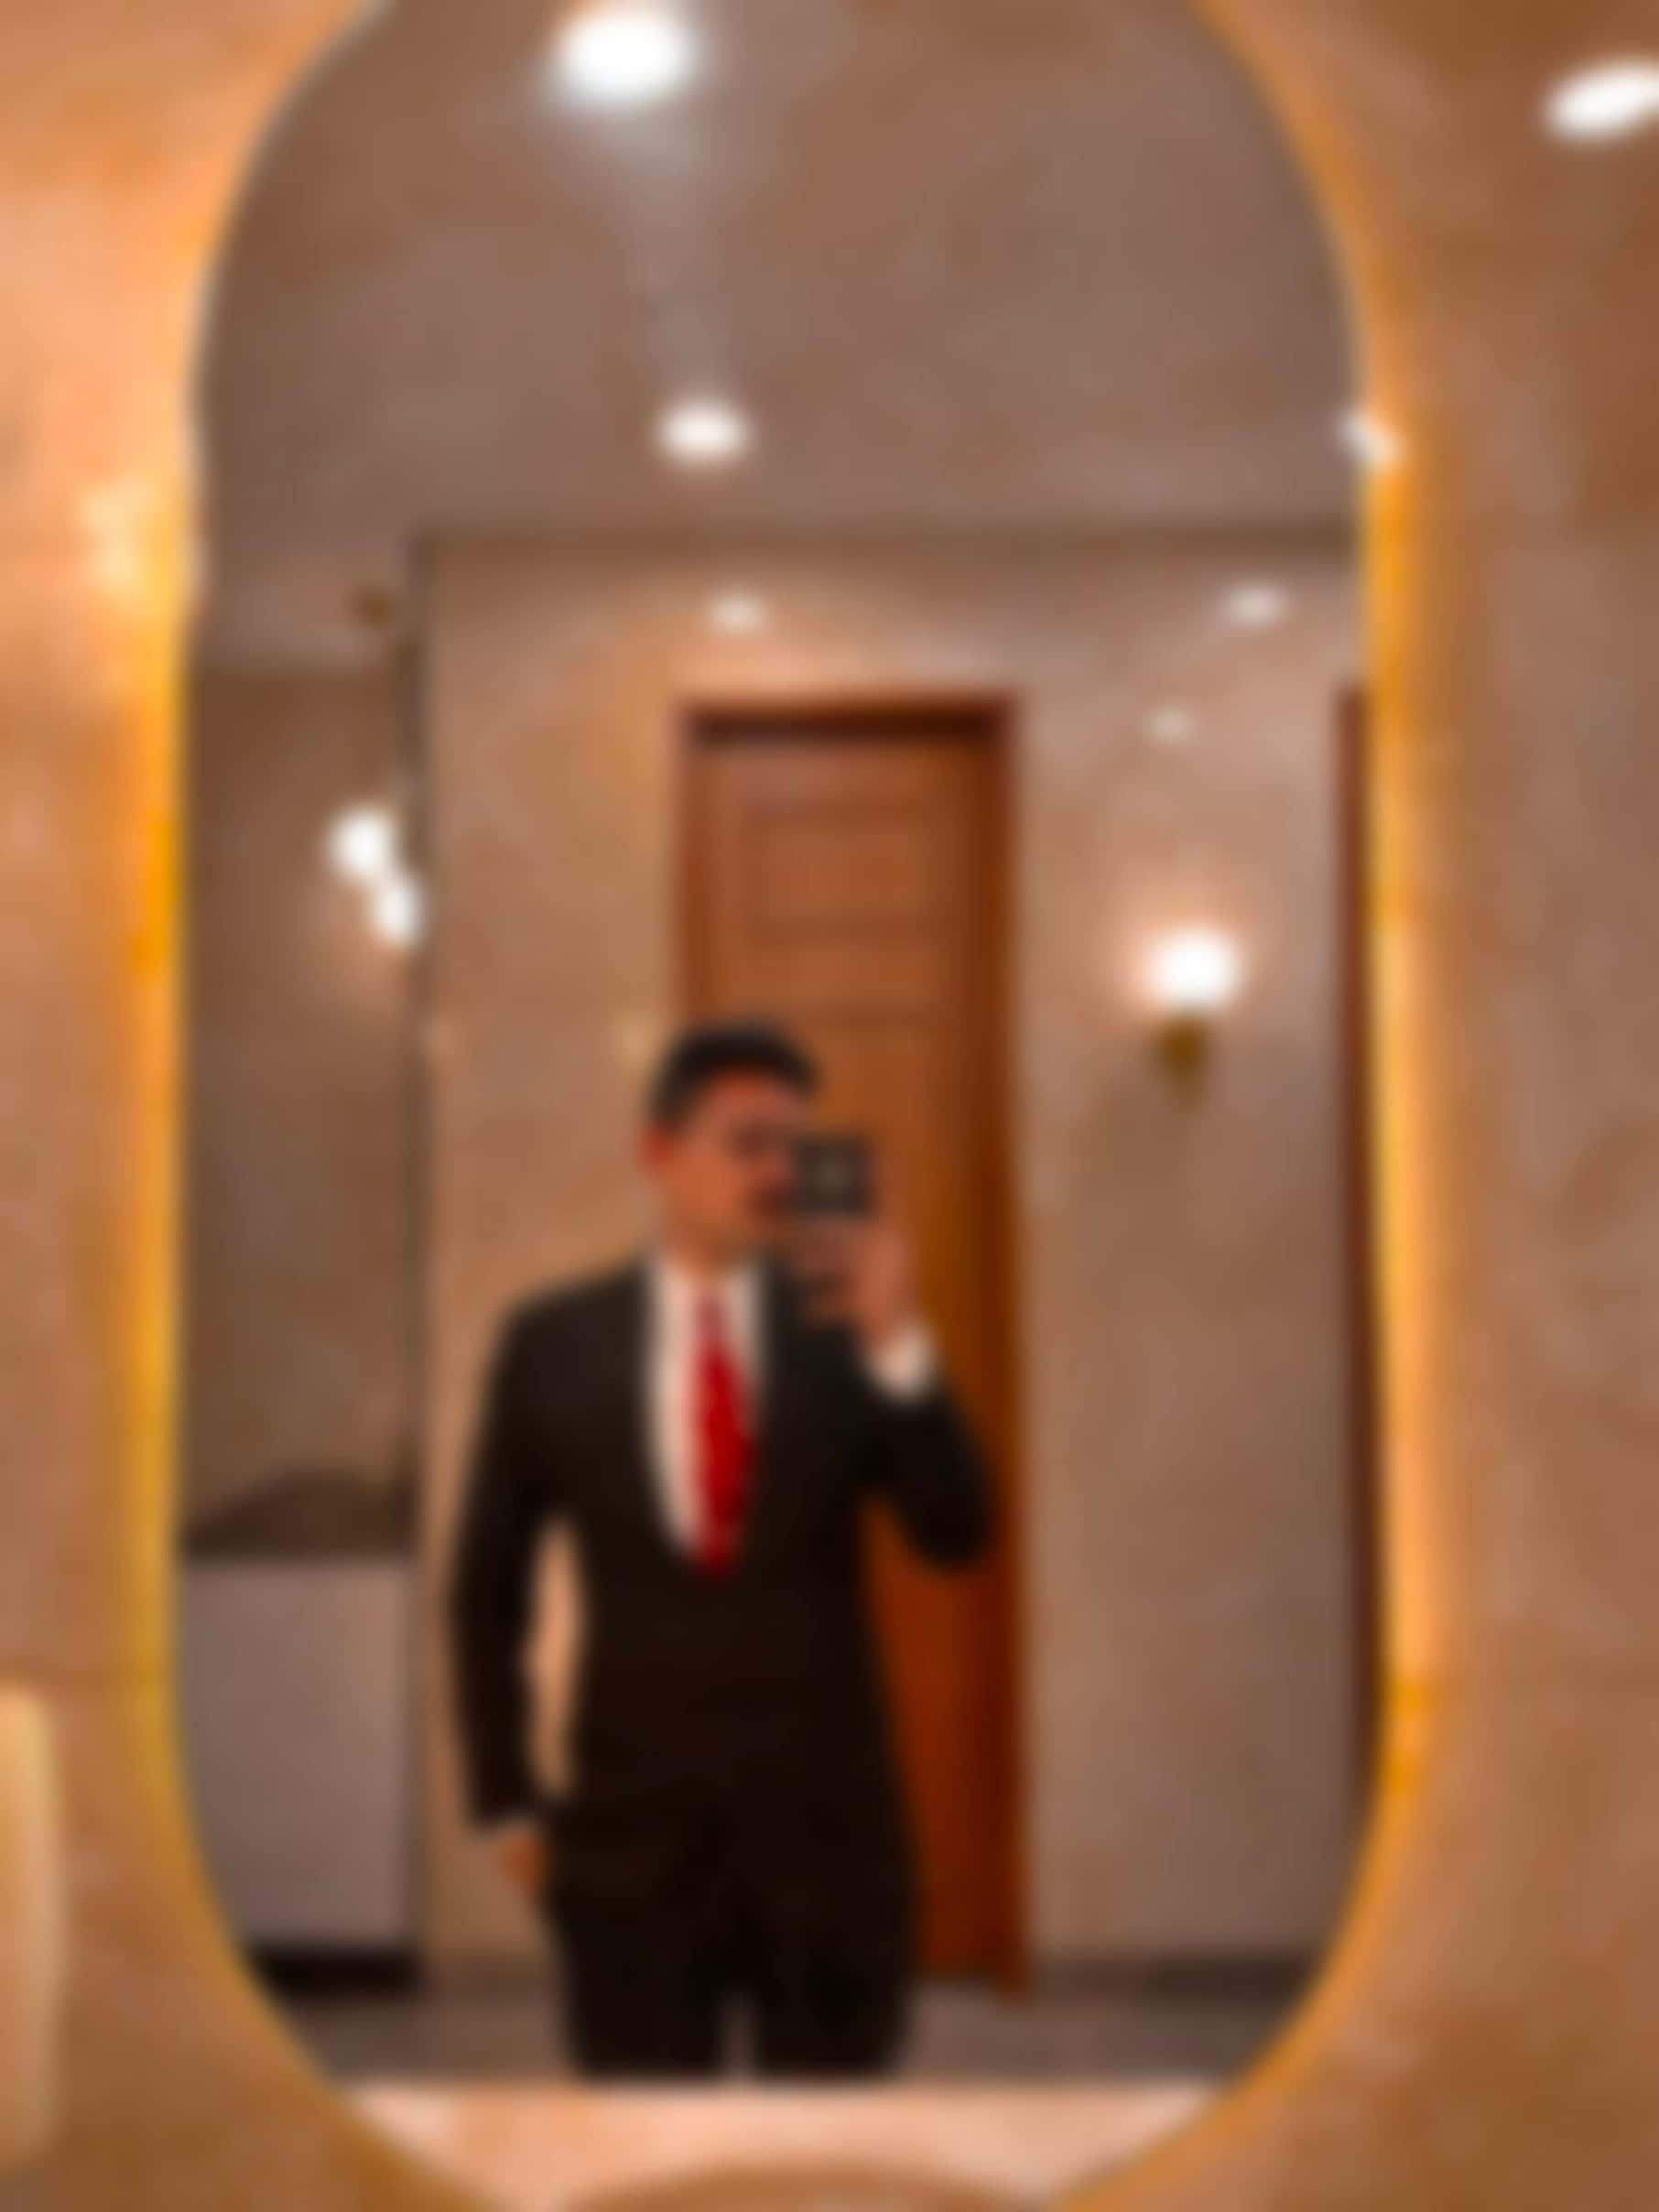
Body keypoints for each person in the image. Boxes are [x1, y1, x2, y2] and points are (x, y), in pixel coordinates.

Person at [448, 1017, 993, 2079]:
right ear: (660, 1153)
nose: (780, 1171)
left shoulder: (848, 1332)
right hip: (628, 1844)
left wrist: (898, 1342)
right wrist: (504, 1797)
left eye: (796, 1144)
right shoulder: (554, 1344)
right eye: (748, 1142)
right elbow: (486, 1585)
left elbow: (957, 1532)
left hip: (828, 1846)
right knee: (647, 2150)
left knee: (823, 2153)